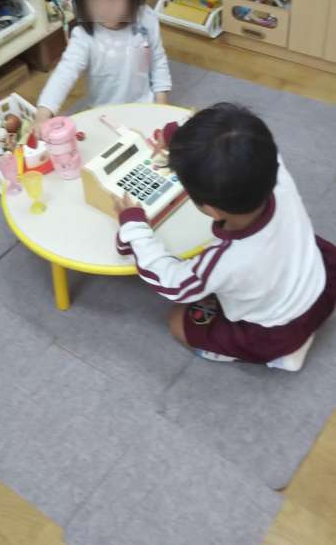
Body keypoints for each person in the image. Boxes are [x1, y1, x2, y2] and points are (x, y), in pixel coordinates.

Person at [114, 103, 336, 367]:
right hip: (322, 283)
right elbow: (238, 141)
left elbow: (175, 284)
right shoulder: (272, 165)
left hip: (274, 332)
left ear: (211, 210)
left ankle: (276, 355)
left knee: (177, 321)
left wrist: (134, 227)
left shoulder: (223, 260)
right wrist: (180, 142)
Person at [35, 0, 171, 131]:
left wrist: (162, 104)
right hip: (103, 117)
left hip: (144, 107)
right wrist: (43, 112)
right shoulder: (84, 37)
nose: (104, 6)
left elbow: (158, 61)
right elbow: (64, 73)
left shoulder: (146, 19)